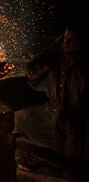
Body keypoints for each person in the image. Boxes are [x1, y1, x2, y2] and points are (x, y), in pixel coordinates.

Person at [27, 19, 89, 179]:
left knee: (74, 158)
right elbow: (33, 75)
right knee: (59, 153)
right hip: (57, 112)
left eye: (71, 40)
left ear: (83, 41)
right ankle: (60, 173)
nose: (66, 42)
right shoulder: (56, 55)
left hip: (78, 118)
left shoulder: (84, 65)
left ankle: (72, 175)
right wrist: (35, 68)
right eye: (65, 37)